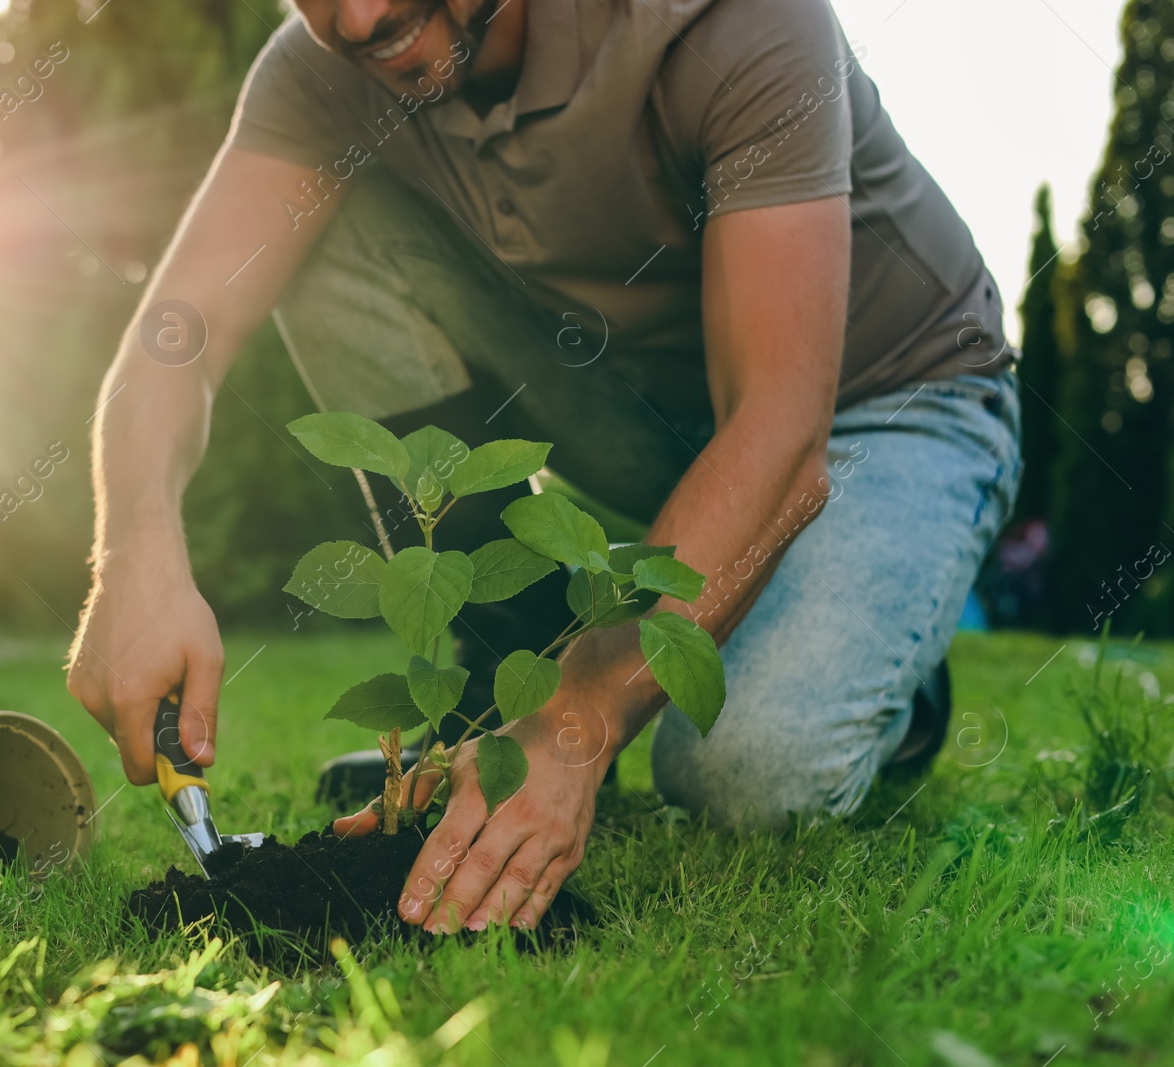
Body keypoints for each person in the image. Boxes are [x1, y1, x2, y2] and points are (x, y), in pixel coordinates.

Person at [67, 0, 1021, 935]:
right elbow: (176, 333)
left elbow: (780, 432)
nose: (356, 19)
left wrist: (582, 713)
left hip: (885, 407)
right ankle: (495, 712)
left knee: (741, 777)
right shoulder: (320, 73)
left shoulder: (731, 20)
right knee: (315, 229)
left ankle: (898, 689)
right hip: (633, 403)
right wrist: (135, 551)